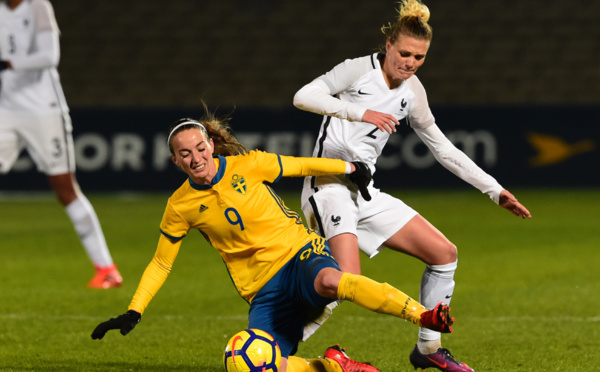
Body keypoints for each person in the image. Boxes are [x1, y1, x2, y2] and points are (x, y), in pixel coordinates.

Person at [91, 114, 456, 372]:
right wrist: (135, 309)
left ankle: (421, 315)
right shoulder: (179, 206)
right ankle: (332, 365)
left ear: (211, 145)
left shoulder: (248, 165)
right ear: (175, 161)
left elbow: (299, 165)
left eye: (199, 148)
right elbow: (161, 262)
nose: (195, 158)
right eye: (185, 154)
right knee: (253, 365)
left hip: (299, 255)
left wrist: (348, 169)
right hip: (262, 291)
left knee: (333, 281)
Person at [293, 0, 532, 371]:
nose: (410, 62)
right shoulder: (358, 70)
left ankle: (428, 348)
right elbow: (303, 96)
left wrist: (494, 190)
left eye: (419, 57)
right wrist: (360, 112)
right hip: (329, 185)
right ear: (388, 45)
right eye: (404, 53)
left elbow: (442, 148)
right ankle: (274, 347)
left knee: (444, 253)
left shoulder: (412, 91)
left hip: (364, 191)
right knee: (347, 279)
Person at [0, 0, 122, 289]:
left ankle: (106, 269)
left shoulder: (38, 6)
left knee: (65, 189)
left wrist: (8, 62)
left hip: (45, 111)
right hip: (6, 111)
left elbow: (50, 56)